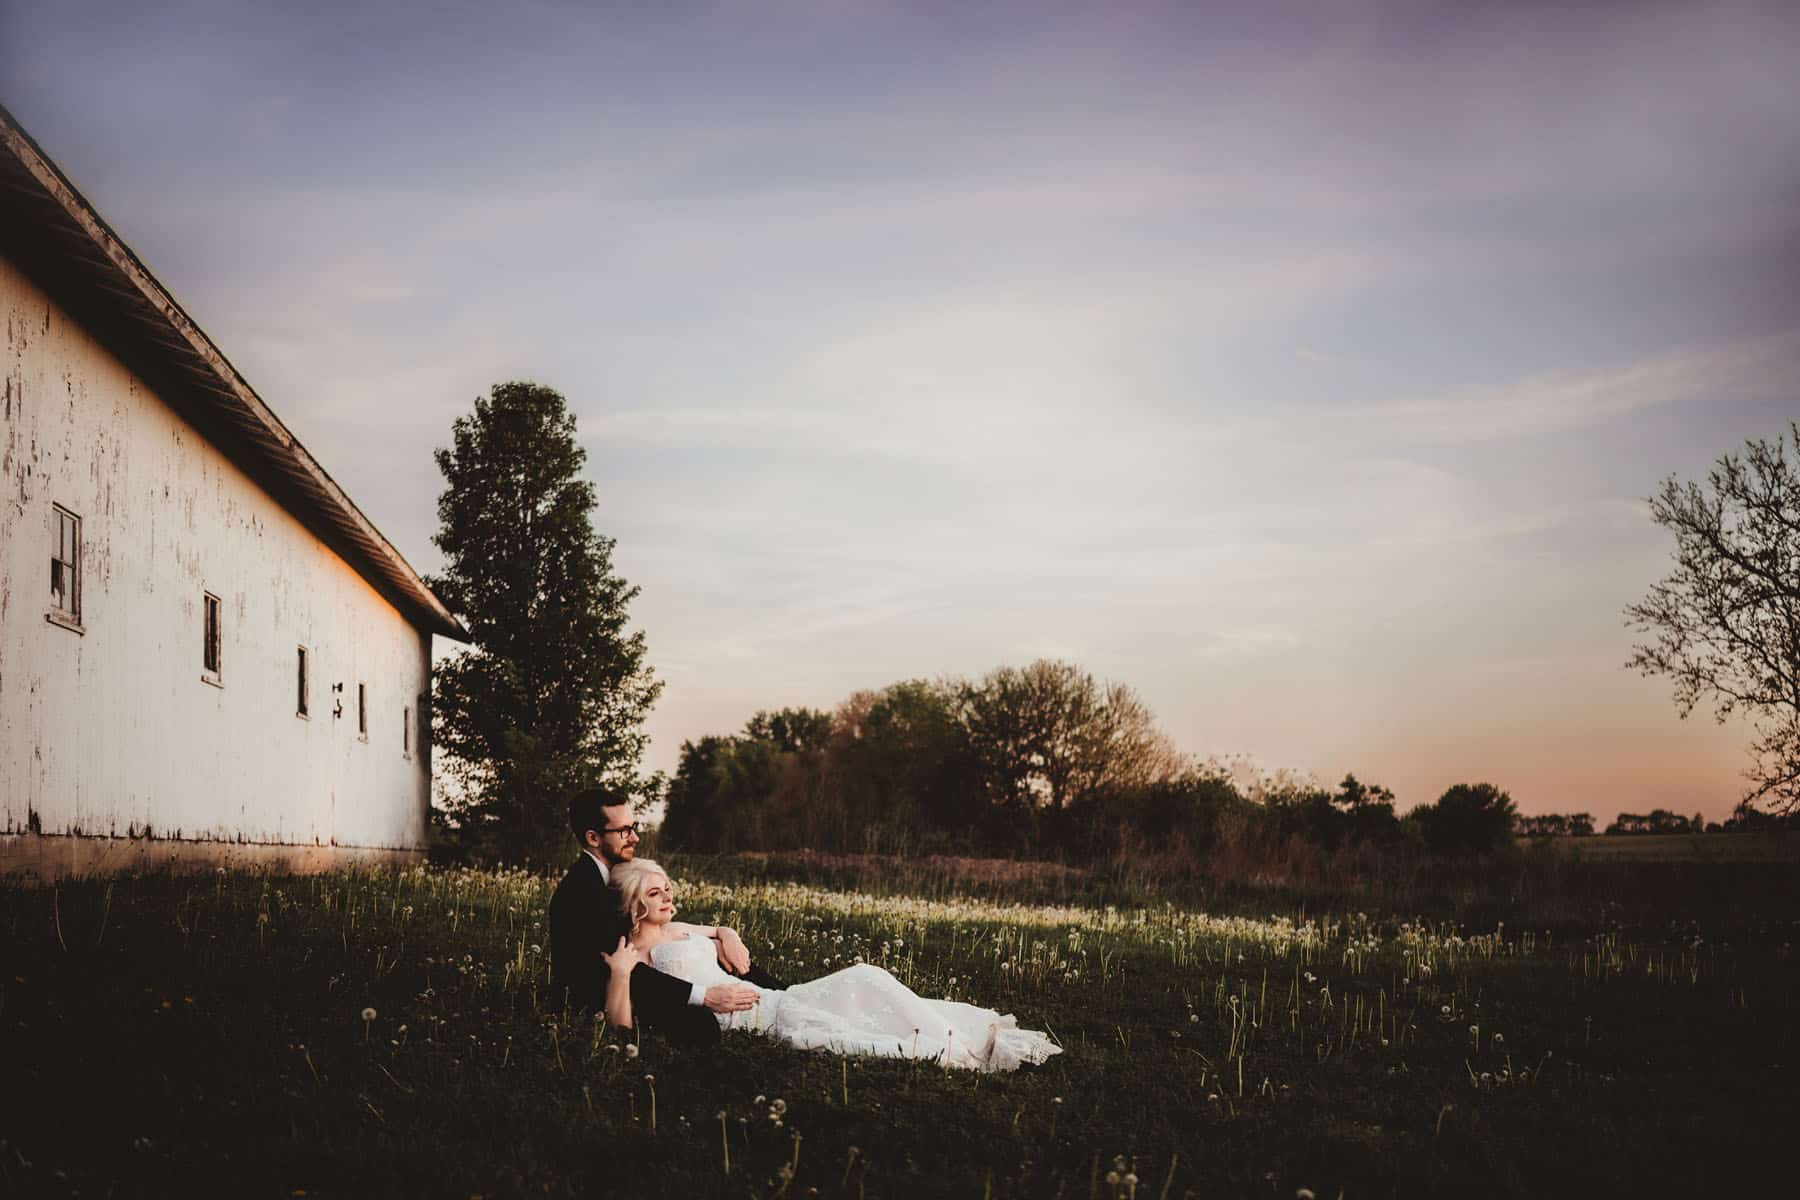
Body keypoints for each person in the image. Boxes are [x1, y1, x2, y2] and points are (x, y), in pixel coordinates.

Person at [602, 859, 1062, 1072]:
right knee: (865, 1016)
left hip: (778, 997)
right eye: (656, 893)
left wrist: (727, 932)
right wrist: (620, 974)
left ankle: (958, 1035)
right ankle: (953, 1049)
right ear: (633, 903)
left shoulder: (682, 928)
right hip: (761, 1021)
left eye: (668, 888)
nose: (669, 898)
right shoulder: (634, 957)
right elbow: (621, 1028)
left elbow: (717, 932)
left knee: (868, 978)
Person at [548, 787, 784, 1046]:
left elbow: (649, 930)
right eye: (624, 831)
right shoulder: (582, 890)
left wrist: (723, 935)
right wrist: (704, 996)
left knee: (710, 950)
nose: (635, 837)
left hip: (638, 978)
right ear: (593, 838)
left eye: (634, 826)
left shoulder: (607, 876)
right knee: (700, 1025)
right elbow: (621, 965)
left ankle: (786, 997)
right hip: (607, 997)